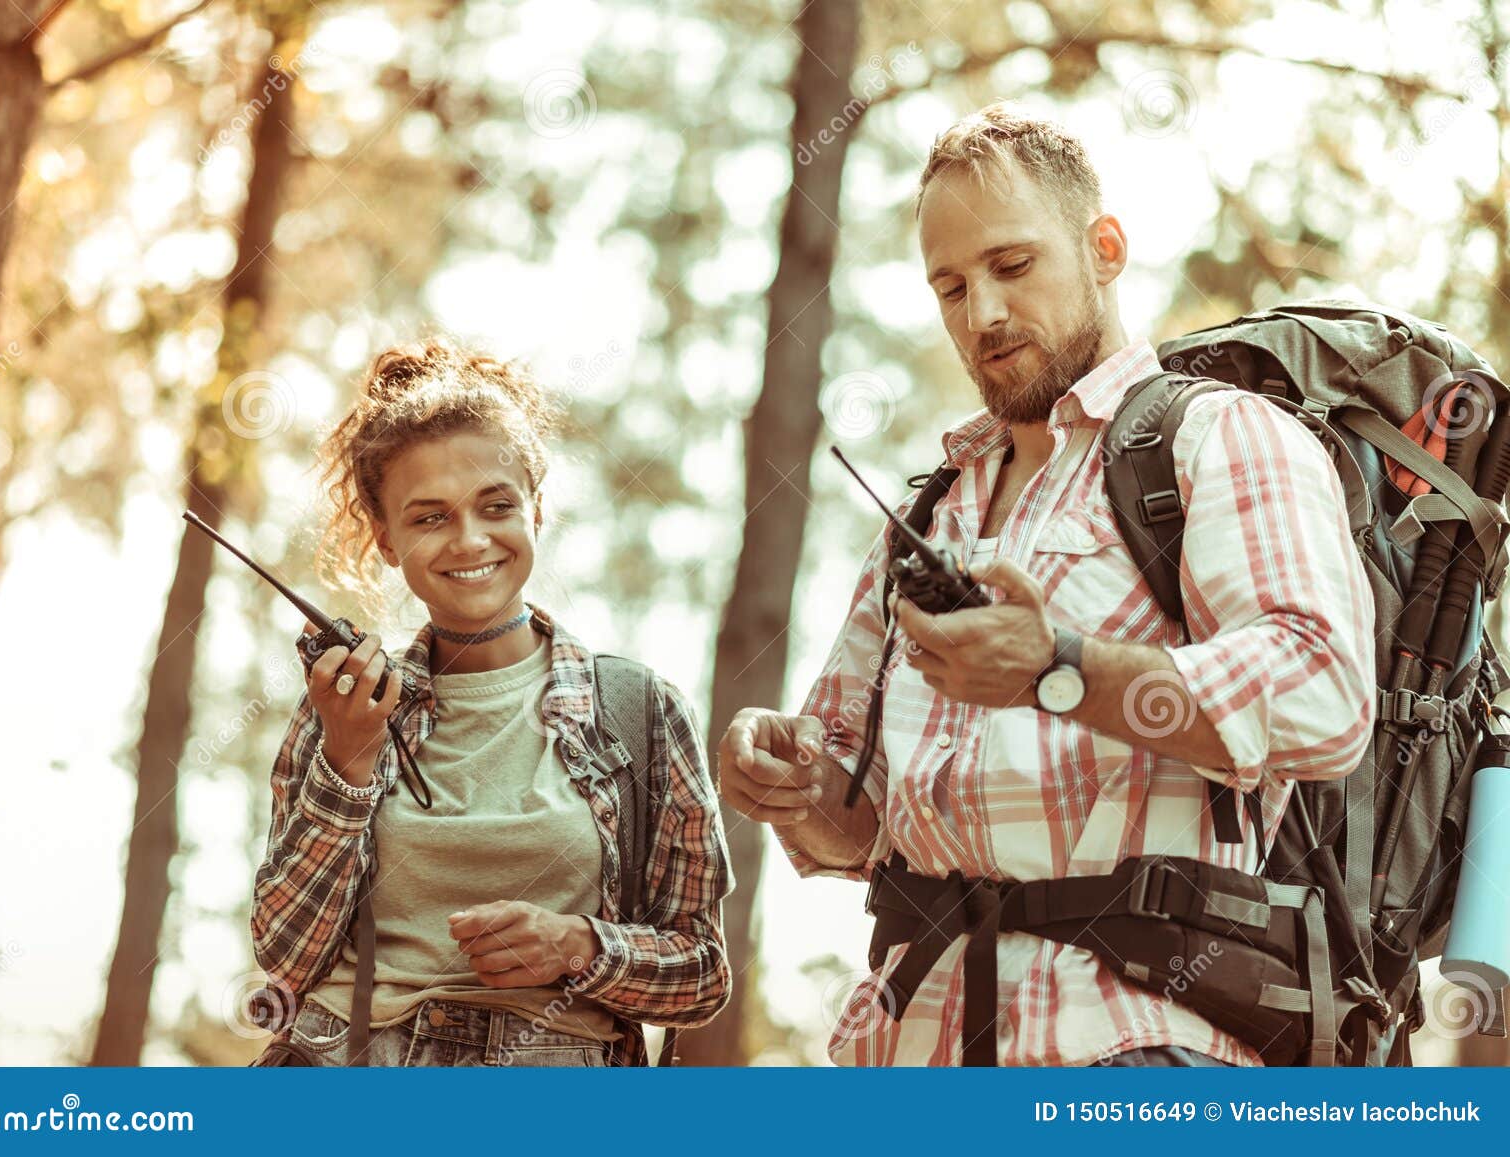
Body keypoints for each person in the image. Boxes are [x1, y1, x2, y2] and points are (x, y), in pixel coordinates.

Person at [718, 102, 1375, 1067]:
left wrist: (1058, 668)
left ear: (1104, 248)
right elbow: (853, 822)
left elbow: (1324, 692)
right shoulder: (930, 514)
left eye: (1011, 266)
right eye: (950, 285)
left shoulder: (1218, 439)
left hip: (1134, 1050)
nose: (981, 313)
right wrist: (795, 780)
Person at [250, 337, 732, 1066]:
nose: (469, 539)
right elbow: (284, 955)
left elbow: (702, 975)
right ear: (385, 538)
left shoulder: (640, 711)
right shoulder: (341, 705)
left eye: (496, 505)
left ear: (537, 509)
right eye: (429, 517)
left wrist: (578, 945)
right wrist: (349, 761)